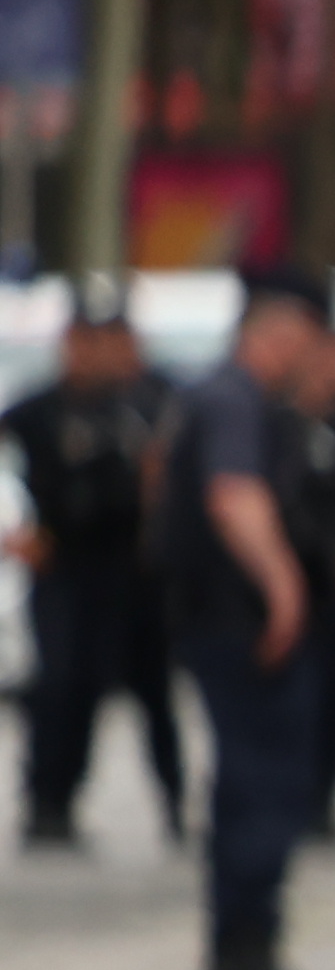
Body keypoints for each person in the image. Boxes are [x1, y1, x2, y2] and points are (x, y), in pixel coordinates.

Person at [167, 271, 335, 970]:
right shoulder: (234, 401)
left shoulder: (241, 401)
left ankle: (245, 952)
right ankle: (245, 956)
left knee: (259, 785)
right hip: (239, 624)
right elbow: (233, 496)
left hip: (226, 620)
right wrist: (282, 587)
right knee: (262, 788)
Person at [8, 300, 188, 852]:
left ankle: (176, 803)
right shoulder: (39, 408)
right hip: (66, 564)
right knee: (63, 685)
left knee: (154, 690)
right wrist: (17, 535)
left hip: (135, 569)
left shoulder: (151, 401)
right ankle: (50, 803)